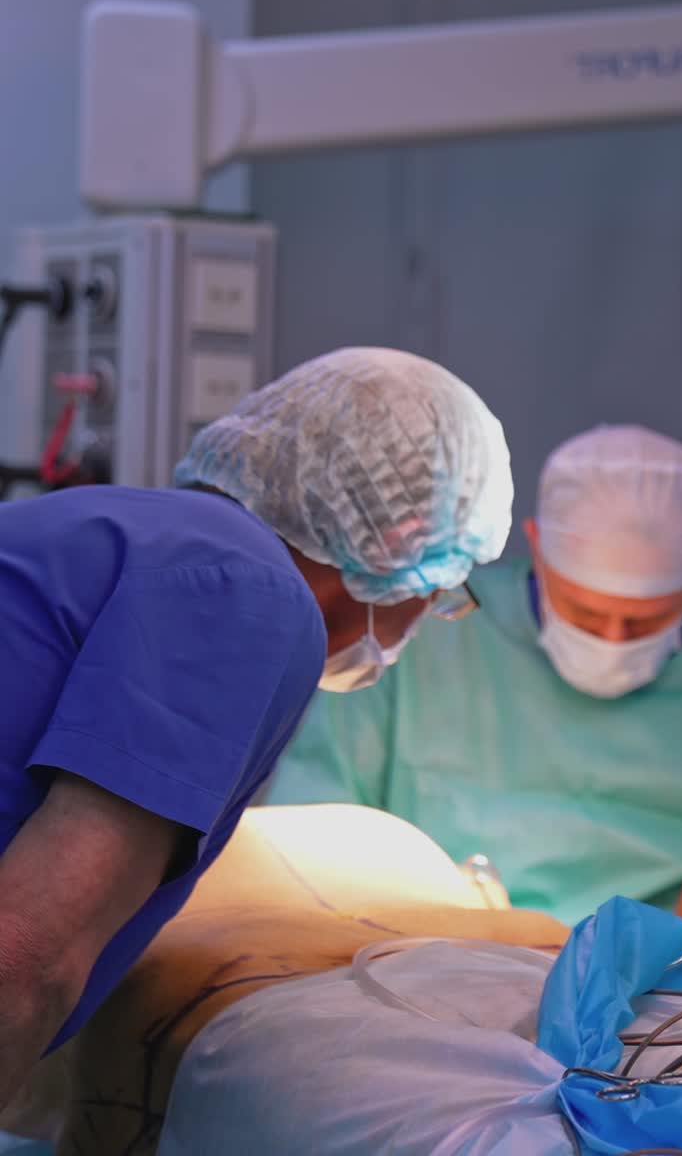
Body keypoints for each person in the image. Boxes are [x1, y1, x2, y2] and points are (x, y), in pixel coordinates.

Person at [0, 346, 512, 1121]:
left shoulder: (121, 530)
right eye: (444, 589)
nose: (430, 613)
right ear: (404, 536)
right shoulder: (250, 594)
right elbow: (26, 951)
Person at [270, 425, 682, 929]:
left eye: (644, 622)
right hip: (437, 984)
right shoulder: (423, 645)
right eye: (584, 612)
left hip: (675, 1014)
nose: (611, 641)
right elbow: (301, 838)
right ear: (534, 542)